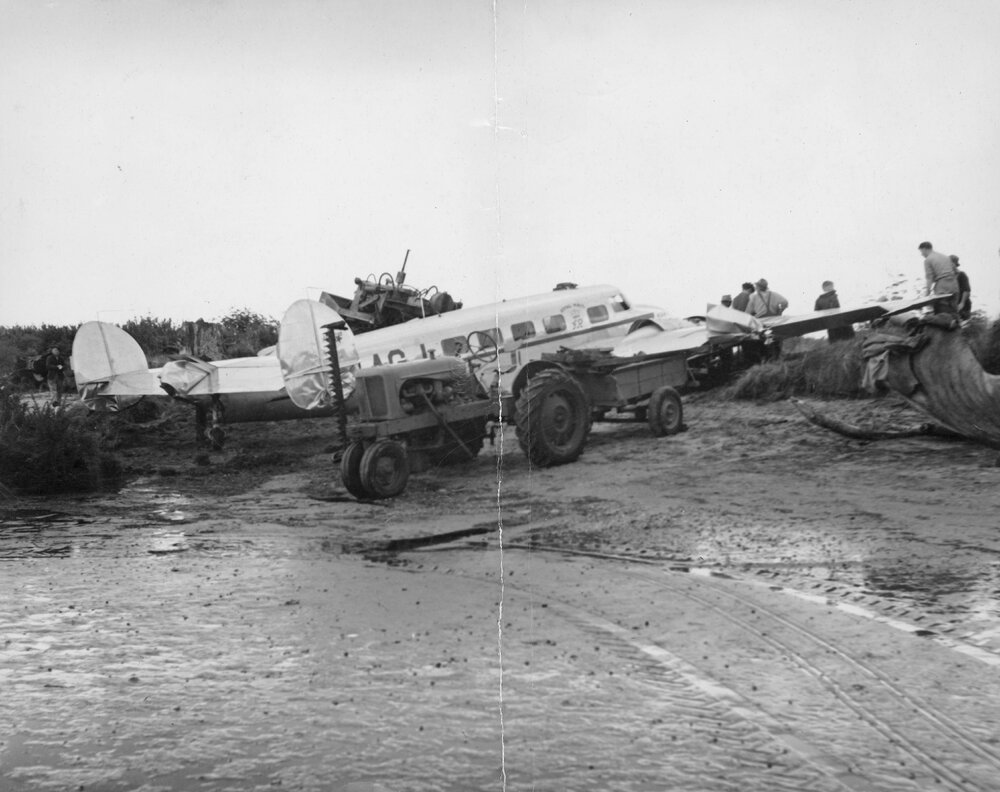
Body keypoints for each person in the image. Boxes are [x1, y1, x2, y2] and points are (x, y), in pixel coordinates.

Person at [918, 241, 959, 314]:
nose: (921, 254)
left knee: (941, 309)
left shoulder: (928, 260)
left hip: (942, 285)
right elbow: (957, 271)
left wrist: (926, 294)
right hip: (954, 285)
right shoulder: (945, 257)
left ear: (924, 249)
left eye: (921, 252)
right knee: (954, 310)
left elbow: (929, 278)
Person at [950, 255, 972, 321]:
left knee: (960, 322)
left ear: (955, 264)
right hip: (953, 306)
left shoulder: (962, 275)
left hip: (963, 306)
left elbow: (967, 290)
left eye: (951, 263)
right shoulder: (949, 277)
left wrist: (962, 303)